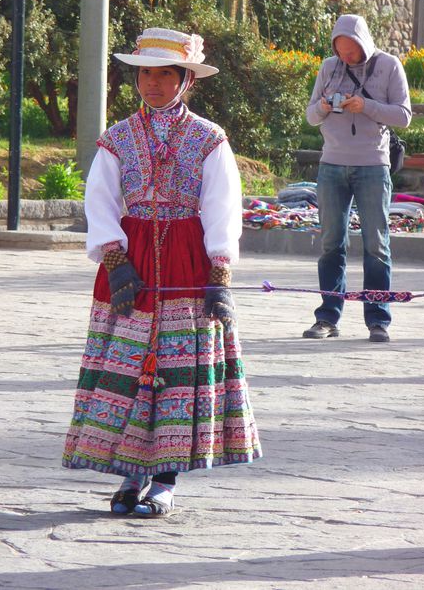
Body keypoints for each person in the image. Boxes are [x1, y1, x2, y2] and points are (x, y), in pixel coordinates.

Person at [62, 27, 261, 517]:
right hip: (129, 266)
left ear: (184, 80)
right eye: (145, 73)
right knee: (128, 369)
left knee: (176, 371)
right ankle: (130, 476)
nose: (153, 83)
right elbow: (101, 202)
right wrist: (115, 259)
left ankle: (166, 480)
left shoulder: (209, 139)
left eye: (164, 74)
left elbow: (222, 207)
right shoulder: (117, 139)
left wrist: (220, 274)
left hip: (186, 262)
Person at [303, 14, 411, 344]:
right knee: (331, 244)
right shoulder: (328, 67)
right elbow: (310, 116)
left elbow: (404, 116)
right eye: (341, 52)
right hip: (331, 165)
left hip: (372, 166)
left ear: (363, 43)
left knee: (376, 245)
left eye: (351, 52)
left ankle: (378, 320)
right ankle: (327, 318)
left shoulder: (389, 65)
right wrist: (323, 106)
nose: (346, 58)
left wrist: (366, 106)